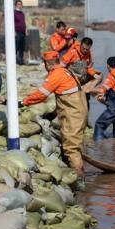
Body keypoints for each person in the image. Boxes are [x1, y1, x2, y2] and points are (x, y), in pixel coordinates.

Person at [21, 51, 87, 179]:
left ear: (48, 64)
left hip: (73, 115)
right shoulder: (66, 71)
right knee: (76, 143)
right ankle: (78, 169)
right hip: (79, 112)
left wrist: (24, 102)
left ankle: (78, 178)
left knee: (71, 146)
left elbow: (41, 94)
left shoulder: (56, 74)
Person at [14, 0, 26, 65]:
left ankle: (21, 60)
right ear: (16, 5)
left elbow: (23, 23)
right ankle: (14, 60)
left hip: (22, 32)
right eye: (18, 4)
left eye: (21, 4)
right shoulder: (14, 13)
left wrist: (25, 30)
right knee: (16, 47)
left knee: (22, 47)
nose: (20, 5)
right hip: (17, 32)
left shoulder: (22, 14)